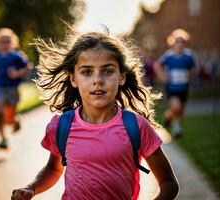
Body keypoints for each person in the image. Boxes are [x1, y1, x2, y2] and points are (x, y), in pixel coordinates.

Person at [11, 27, 179, 200]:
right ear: (73, 78)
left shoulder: (136, 126)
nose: (97, 80)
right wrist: (31, 188)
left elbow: (168, 182)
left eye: (107, 71)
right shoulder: (61, 126)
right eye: (87, 72)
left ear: (122, 76)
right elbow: (53, 169)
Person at [0, 28, 31, 149]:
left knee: (9, 117)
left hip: (13, 90)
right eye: (2, 42)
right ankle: (3, 139)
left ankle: (15, 121)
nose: (4, 44)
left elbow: (28, 68)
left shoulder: (17, 56)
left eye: (7, 41)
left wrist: (17, 73)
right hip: (0, 88)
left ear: (13, 43)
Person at [154, 36, 196, 138]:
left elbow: (193, 70)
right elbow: (157, 65)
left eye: (182, 43)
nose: (180, 45)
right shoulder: (169, 56)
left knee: (180, 110)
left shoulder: (188, 56)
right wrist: (163, 77)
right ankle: (176, 129)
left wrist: (189, 76)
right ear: (174, 44)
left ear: (184, 45)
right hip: (172, 88)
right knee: (176, 107)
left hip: (184, 88)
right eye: (178, 43)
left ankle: (168, 119)